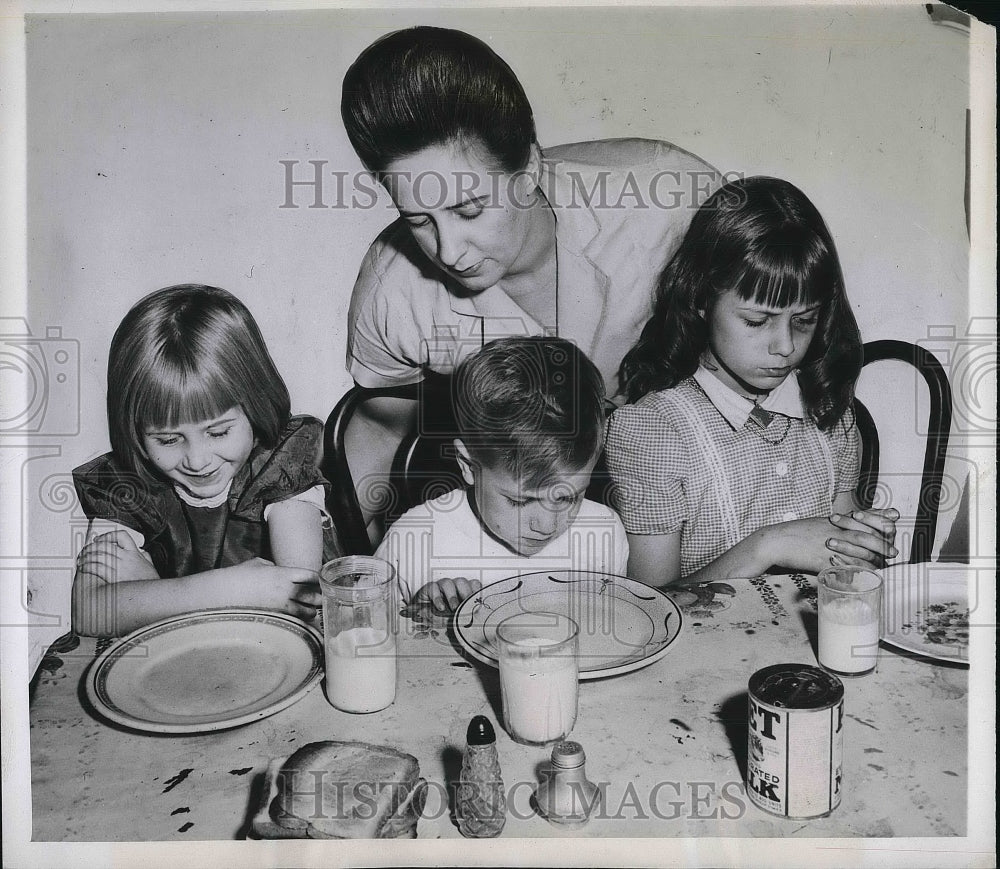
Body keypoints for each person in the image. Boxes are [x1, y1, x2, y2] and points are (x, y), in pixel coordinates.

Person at [340, 25, 720, 543]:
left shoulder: (675, 199)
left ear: (529, 169)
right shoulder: (391, 290)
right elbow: (381, 426)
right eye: (418, 219)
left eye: (469, 209)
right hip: (523, 513)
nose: (449, 251)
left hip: (702, 493)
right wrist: (359, 558)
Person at [605, 177, 898, 587]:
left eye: (804, 320)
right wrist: (767, 546)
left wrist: (861, 545)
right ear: (701, 300)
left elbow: (841, 566)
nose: (784, 346)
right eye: (757, 320)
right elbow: (654, 607)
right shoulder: (653, 432)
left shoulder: (831, 413)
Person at [72, 284, 337, 636]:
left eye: (218, 433)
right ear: (134, 431)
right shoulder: (126, 484)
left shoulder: (283, 460)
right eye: (167, 439)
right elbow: (89, 612)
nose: (197, 461)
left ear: (255, 407)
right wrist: (237, 590)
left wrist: (151, 592)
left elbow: (301, 601)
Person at [375, 336, 628, 613]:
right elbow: (364, 638)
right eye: (520, 501)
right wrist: (416, 618)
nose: (546, 525)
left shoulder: (604, 531)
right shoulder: (412, 542)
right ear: (467, 464)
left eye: (569, 498)